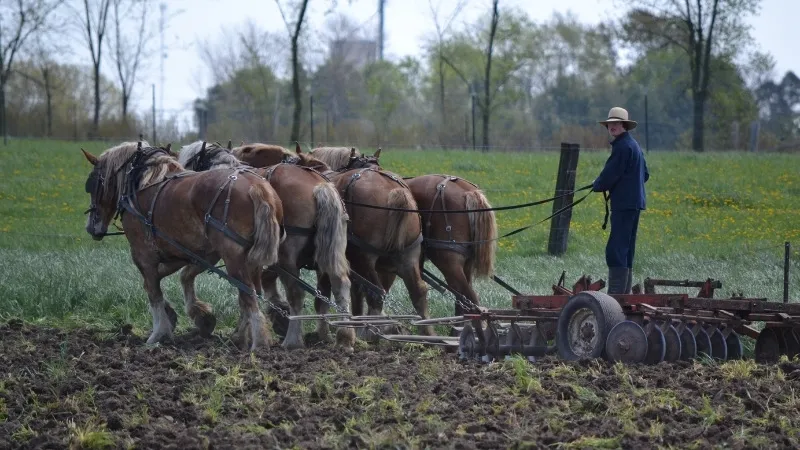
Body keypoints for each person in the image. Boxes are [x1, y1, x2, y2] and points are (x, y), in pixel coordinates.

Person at [592, 107, 649, 294]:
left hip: (624, 205)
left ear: (624, 125)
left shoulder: (622, 147)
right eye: (610, 124)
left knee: (616, 249)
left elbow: (610, 175)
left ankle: (616, 298)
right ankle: (624, 296)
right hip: (634, 203)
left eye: (616, 123)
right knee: (626, 249)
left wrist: (598, 184)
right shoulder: (634, 146)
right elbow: (645, 175)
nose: (612, 127)